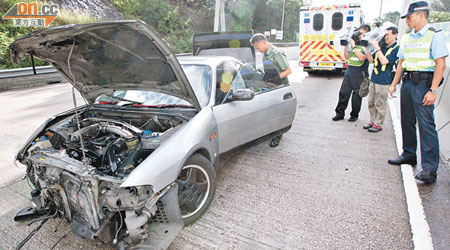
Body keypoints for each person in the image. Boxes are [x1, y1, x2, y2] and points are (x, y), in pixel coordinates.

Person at [388, 1, 448, 184]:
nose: (407, 20)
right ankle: (408, 154)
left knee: (426, 125)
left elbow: (441, 64)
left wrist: (433, 90)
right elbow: (400, 64)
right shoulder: (406, 38)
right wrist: (393, 84)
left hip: (423, 83)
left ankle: (429, 169)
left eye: (409, 16)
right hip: (407, 82)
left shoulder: (434, 35)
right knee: (407, 120)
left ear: (421, 14)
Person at [332, 24, 371, 122]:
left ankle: (354, 115)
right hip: (349, 72)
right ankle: (339, 113)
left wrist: (354, 46)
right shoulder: (354, 44)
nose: (359, 35)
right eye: (358, 33)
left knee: (357, 96)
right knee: (343, 93)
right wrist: (346, 45)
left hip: (360, 73)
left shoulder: (367, 45)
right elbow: (346, 56)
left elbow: (362, 57)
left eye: (361, 33)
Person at [364, 27, 399, 132]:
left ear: (395, 35)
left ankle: (378, 124)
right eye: (385, 35)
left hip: (384, 80)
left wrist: (377, 48)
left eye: (388, 35)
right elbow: (371, 60)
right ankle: (372, 121)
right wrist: (367, 48)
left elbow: (384, 61)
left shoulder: (396, 48)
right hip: (374, 77)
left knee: (380, 102)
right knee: (371, 102)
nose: (386, 37)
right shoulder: (382, 46)